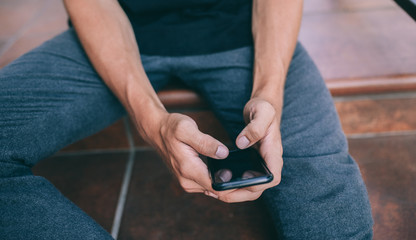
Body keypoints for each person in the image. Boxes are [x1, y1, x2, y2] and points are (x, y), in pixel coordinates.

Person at [0, 0, 373, 239]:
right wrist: (151, 120)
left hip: (243, 30)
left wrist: (268, 91)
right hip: (115, 31)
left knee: (326, 193)